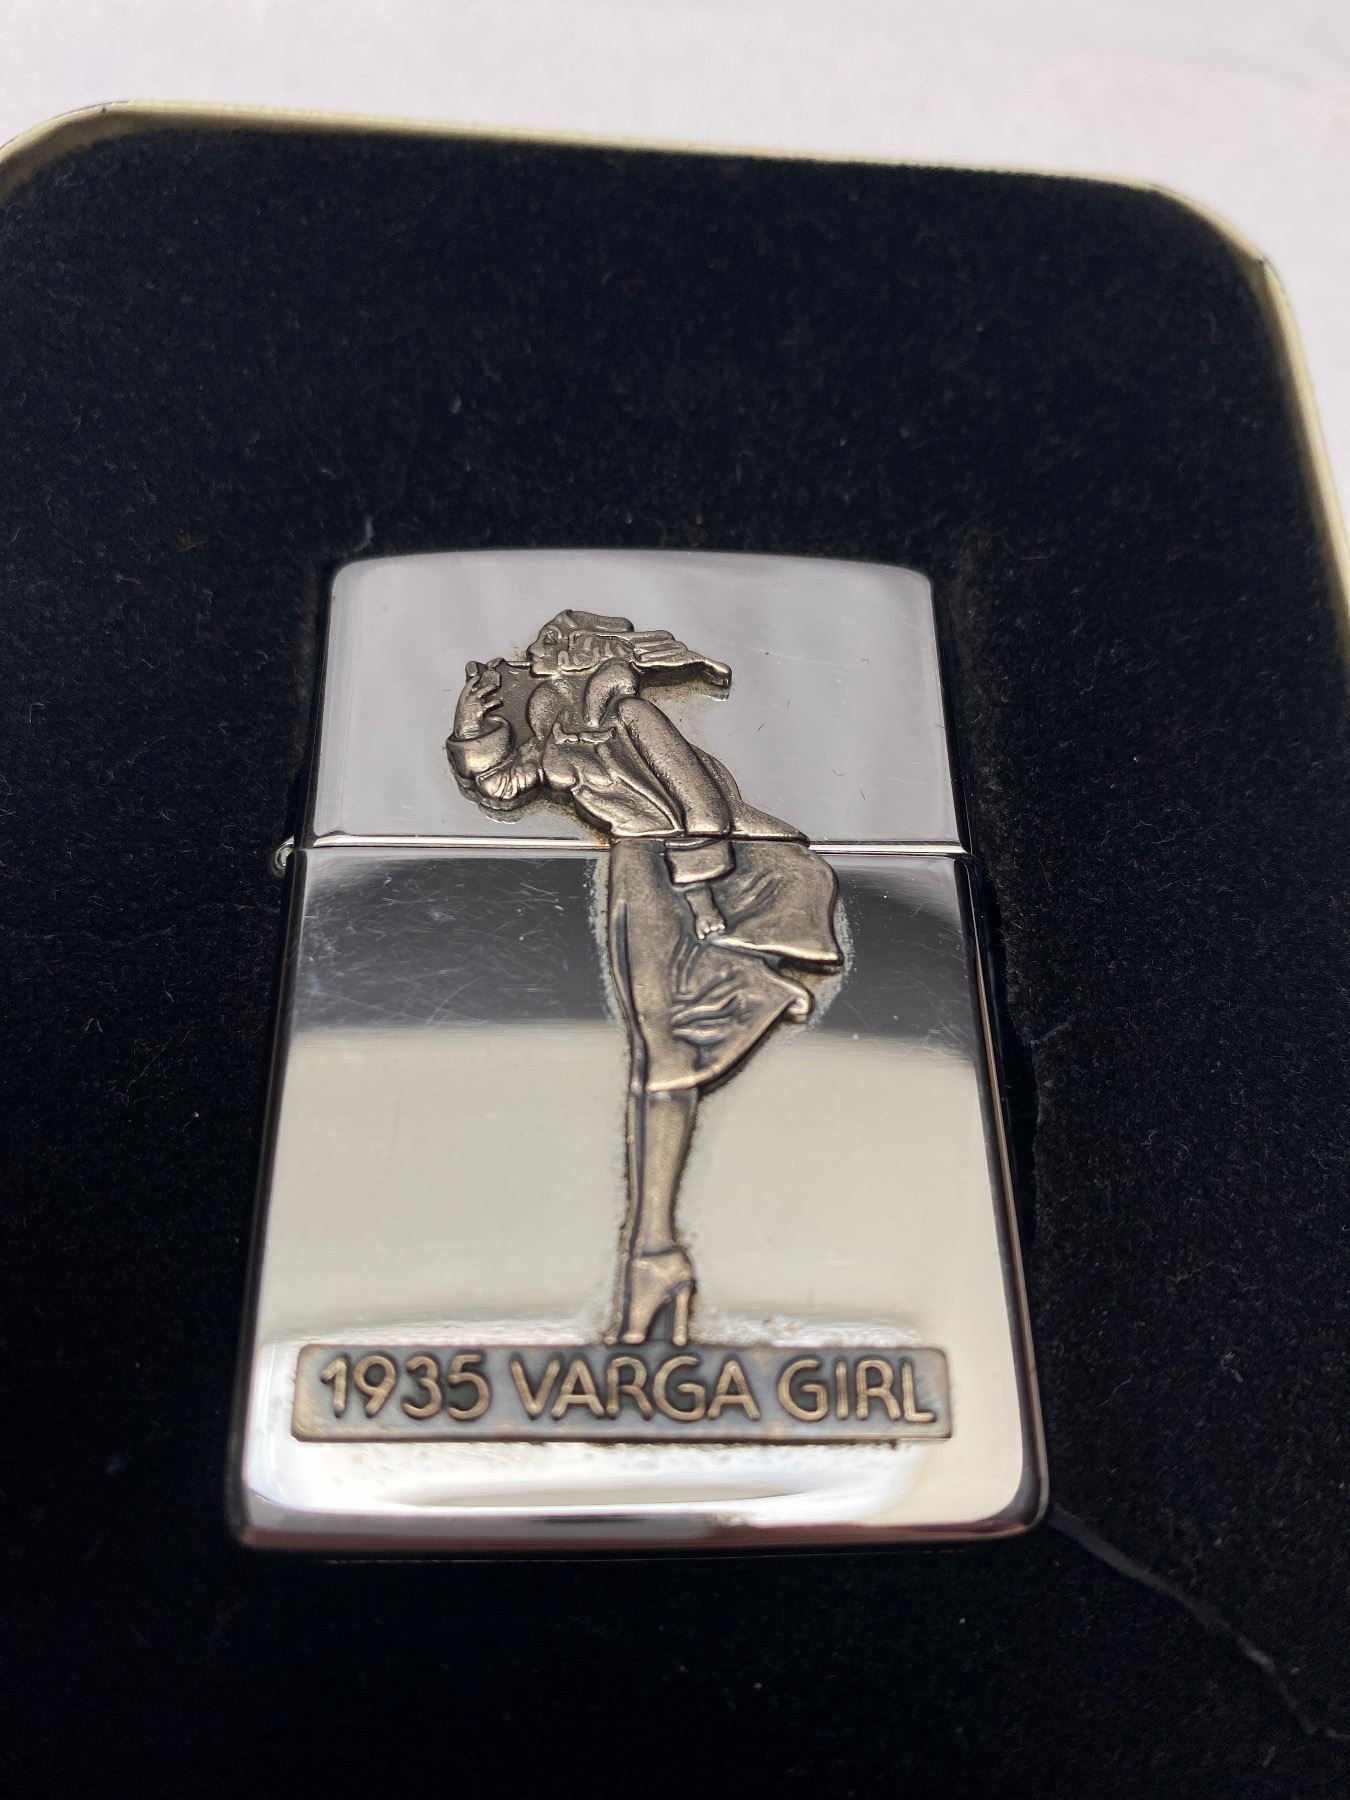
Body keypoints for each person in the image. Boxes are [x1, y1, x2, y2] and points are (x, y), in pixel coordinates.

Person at [448, 609, 842, 1345]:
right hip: (636, 870)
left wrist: (705, 907)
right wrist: (475, 730)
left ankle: (746, 992)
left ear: (590, 653)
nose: (538, 652)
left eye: (555, 642)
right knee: (655, 1054)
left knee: (661, 1055)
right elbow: (505, 787)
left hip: (691, 875)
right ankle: (656, 1252)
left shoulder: (632, 715)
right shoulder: (558, 724)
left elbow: (704, 809)